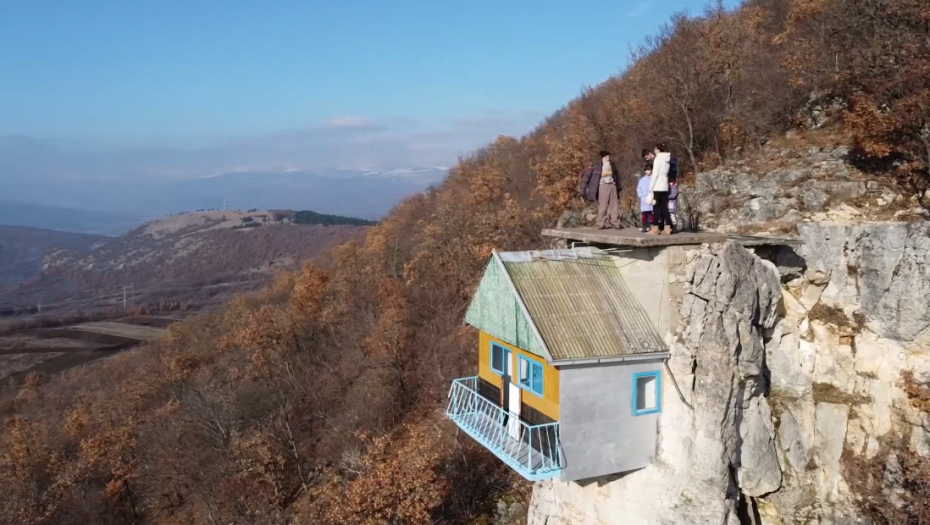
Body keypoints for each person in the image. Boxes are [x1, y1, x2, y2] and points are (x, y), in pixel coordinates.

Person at [578, 150, 621, 229]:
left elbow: (617, 177)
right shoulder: (596, 166)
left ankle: (615, 222)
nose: (608, 158)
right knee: (603, 205)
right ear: (602, 157)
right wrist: (582, 190)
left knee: (614, 204)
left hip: (612, 185)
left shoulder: (612, 165)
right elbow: (586, 178)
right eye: (606, 157)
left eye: (609, 156)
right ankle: (600, 223)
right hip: (602, 185)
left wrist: (618, 187)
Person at [647, 143, 673, 235]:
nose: (654, 151)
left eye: (655, 149)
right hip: (665, 186)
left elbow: (655, 175)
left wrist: (651, 188)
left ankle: (655, 228)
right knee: (664, 208)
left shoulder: (658, 159)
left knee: (656, 208)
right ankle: (668, 227)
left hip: (657, 186)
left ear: (658, 149)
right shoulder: (667, 159)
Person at [637, 162, 654, 233]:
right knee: (644, 215)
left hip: (652, 199)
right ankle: (644, 227)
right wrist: (641, 195)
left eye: (649, 169)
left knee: (652, 215)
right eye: (646, 170)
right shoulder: (642, 180)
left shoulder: (654, 179)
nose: (647, 171)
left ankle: (652, 227)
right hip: (644, 200)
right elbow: (638, 189)